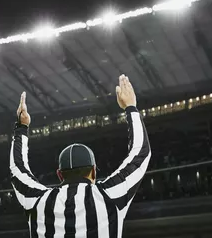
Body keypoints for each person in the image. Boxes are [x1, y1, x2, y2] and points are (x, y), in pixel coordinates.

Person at [10, 74, 151, 238]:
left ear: (59, 174)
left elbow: (18, 170)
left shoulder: (38, 201)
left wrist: (21, 127)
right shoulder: (109, 195)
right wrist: (130, 107)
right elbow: (140, 154)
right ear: (93, 171)